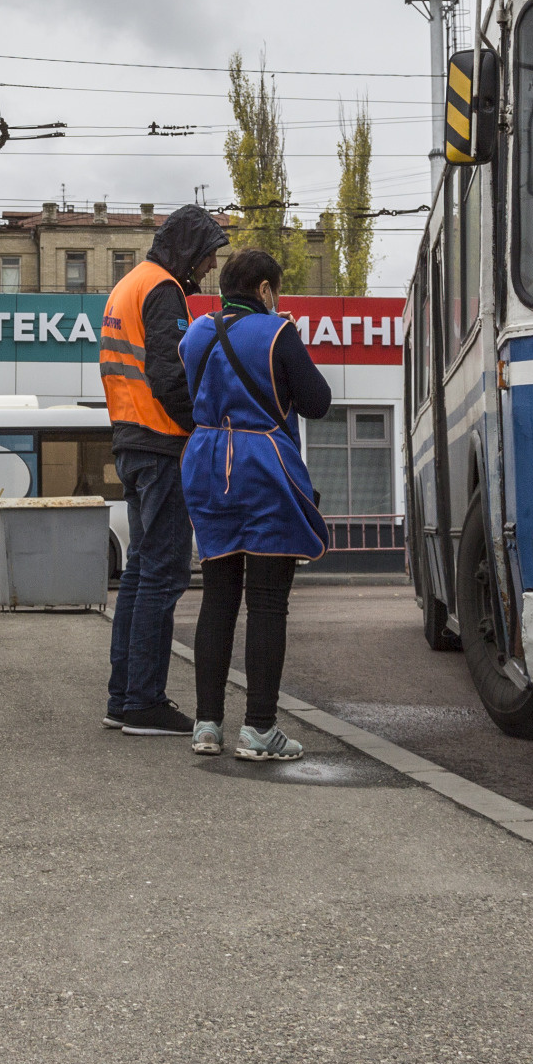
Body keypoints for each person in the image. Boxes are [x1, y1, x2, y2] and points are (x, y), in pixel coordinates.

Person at [179, 245, 330, 760]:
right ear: (266, 290)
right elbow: (318, 402)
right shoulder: (277, 332)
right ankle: (260, 730)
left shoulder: (195, 334)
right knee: (267, 599)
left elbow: (185, 398)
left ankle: (206, 726)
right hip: (262, 464)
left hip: (205, 462)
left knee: (218, 595)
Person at [97, 204, 226, 735]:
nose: (211, 268)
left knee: (140, 574)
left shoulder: (130, 283)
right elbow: (170, 374)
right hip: (161, 445)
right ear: (188, 250)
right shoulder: (163, 289)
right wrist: (202, 425)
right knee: (166, 572)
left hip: (131, 441)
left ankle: (124, 698)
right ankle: (145, 702)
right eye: (208, 255)